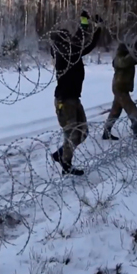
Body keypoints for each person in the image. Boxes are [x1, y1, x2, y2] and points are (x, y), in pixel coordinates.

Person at [49, 10, 102, 176]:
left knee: (82, 132)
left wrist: (85, 22)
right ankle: (66, 163)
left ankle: (61, 154)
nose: (70, 38)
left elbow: (79, 40)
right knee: (72, 133)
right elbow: (85, 44)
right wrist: (96, 27)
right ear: (61, 41)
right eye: (66, 37)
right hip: (65, 100)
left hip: (74, 98)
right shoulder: (64, 54)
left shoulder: (70, 50)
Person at [102, 40, 137, 140]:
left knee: (115, 111)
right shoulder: (119, 58)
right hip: (119, 88)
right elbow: (124, 62)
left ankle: (106, 131)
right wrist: (134, 51)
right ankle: (136, 131)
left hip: (122, 88)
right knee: (132, 109)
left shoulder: (127, 57)